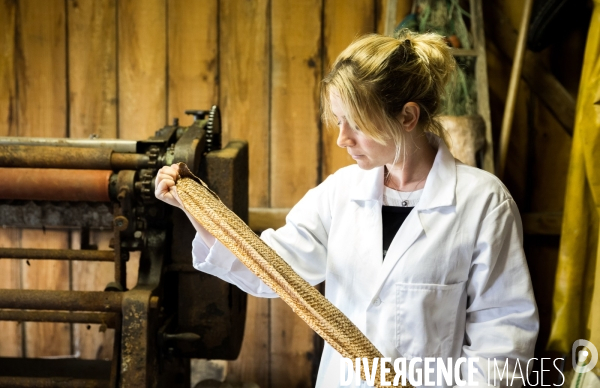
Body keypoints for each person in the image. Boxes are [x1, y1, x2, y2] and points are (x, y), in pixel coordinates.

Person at [155, 30, 539, 388]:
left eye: (355, 123)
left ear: (407, 117)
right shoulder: (340, 193)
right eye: (339, 122)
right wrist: (192, 206)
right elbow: (268, 269)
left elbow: (503, 337)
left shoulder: (483, 203)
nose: (342, 139)